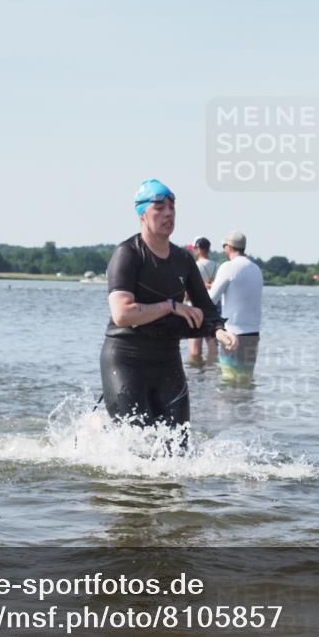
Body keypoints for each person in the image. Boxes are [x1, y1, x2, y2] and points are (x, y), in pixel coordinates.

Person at [101, 179, 236, 444]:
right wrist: (169, 306)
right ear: (141, 214)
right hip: (126, 359)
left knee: (180, 447)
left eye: (172, 207)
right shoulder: (127, 254)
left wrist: (219, 331)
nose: (168, 214)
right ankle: (100, 427)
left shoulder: (183, 259)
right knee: (136, 446)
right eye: (159, 208)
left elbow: (205, 308)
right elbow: (122, 314)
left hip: (166, 361)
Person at [209, 230, 263, 385]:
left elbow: (211, 299)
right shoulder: (256, 269)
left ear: (230, 247)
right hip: (253, 334)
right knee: (246, 382)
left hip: (233, 335)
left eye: (224, 245)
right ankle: (247, 409)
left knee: (230, 382)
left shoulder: (228, 267)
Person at [188, 236, 219, 365]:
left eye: (194, 248)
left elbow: (187, 291)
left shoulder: (194, 266)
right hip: (212, 307)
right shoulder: (217, 266)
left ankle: (196, 375)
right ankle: (211, 373)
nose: (193, 251)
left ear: (199, 249)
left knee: (195, 350)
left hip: (195, 308)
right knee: (212, 345)